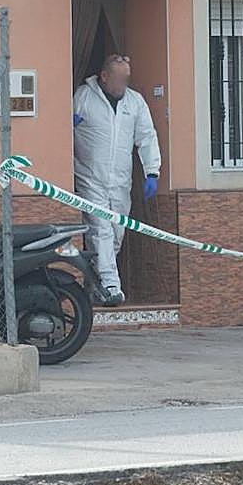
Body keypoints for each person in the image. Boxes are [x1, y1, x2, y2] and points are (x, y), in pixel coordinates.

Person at [73, 54, 161, 307]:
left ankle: (92, 286)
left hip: (121, 183)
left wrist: (152, 172)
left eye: (127, 79)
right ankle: (112, 287)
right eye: (119, 79)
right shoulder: (84, 97)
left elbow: (146, 137)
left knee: (114, 236)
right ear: (104, 77)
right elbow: (66, 130)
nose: (123, 84)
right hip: (90, 177)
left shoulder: (135, 103)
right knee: (100, 231)